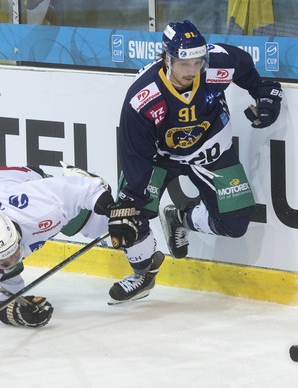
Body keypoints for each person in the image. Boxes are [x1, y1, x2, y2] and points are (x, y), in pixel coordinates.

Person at [107, 20, 283, 303]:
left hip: (211, 150)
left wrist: (265, 97)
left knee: (235, 224)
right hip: (159, 158)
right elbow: (134, 151)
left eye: (198, 62)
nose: (192, 70)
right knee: (129, 215)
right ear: (167, 57)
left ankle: (181, 219)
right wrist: (133, 198)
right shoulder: (144, 96)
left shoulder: (218, 63)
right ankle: (142, 274)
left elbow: (252, 75)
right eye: (183, 64)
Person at [0, 163, 121, 328]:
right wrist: (16, 313)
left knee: (97, 225)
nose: (13, 260)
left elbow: (83, 190)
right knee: (8, 291)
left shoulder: (35, 205)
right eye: (4, 260)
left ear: (17, 235)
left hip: (12, 179)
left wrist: (113, 212)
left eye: (14, 253)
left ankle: (76, 175)